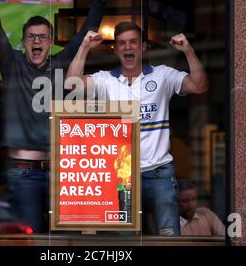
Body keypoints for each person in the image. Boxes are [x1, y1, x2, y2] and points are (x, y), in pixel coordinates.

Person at [0, 0, 108, 233]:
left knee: (66, 239)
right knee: (32, 237)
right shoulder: (11, 63)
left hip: (60, 170)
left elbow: (82, 36)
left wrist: (99, 0)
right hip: (23, 171)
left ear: (50, 42)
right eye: (31, 37)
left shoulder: (61, 63)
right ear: (23, 42)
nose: (36, 41)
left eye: (42, 37)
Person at [66, 22, 209, 235]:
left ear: (143, 47)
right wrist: (85, 47)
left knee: (168, 237)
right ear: (115, 49)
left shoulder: (162, 75)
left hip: (160, 171)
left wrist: (188, 50)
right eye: (121, 43)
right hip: (122, 176)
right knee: (126, 241)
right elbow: (71, 85)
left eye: (133, 42)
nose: (127, 47)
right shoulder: (105, 80)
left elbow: (200, 85)